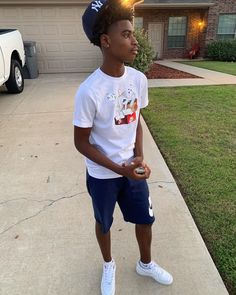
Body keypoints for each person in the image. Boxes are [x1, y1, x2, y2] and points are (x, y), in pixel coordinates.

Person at [73, 0, 173, 294]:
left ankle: (146, 263)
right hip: (103, 175)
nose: (135, 40)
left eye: (134, 33)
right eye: (126, 34)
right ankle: (108, 264)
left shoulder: (138, 79)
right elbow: (80, 142)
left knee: (145, 218)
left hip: (132, 168)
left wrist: (138, 156)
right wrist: (119, 169)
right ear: (106, 41)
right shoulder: (89, 91)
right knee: (103, 223)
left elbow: (136, 121)